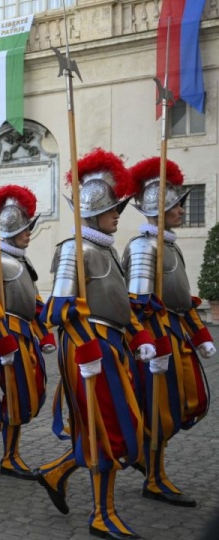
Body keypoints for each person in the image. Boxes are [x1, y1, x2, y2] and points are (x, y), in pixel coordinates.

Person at [35, 148, 158, 540]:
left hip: (110, 346)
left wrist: (138, 335)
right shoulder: (75, 249)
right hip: (87, 349)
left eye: (119, 208)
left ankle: (56, 474)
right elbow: (57, 311)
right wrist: (87, 347)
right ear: (92, 214)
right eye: (112, 210)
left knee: (107, 427)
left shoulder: (105, 248)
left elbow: (121, 304)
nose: (118, 215)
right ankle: (102, 514)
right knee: (106, 431)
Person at [122, 157, 216, 508]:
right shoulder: (145, 246)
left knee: (173, 406)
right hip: (155, 339)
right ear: (160, 210)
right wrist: (151, 340)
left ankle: (155, 471)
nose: (181, 210)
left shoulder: (168, 244)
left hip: (173, 334)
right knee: (158, 409)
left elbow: (179, 298)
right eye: (176, 205)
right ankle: (152, 475)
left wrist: (199, 332)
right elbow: (138, 302)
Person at [0, 185, 56, 480]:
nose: (29, 232)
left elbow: (32, 299)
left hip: (24, 336)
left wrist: (44, 330)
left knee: (28, 394)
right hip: (4, 338)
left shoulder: (22, 260)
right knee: (17, 395)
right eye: (25, 228)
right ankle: (10, 457)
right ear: (10, 227)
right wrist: (1, 338)